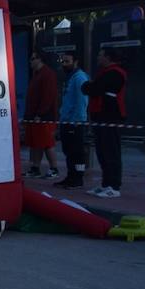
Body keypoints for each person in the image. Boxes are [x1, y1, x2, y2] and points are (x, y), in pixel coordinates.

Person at [83, 47, 128, 198]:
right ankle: (105, 183)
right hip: (100, 117)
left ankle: (114, 186)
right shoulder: (103, 73)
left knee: (111, 152)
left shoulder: (115, 73)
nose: (98, 58)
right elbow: (92, 88)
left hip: (110, 118)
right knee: (102, 152)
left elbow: (95, 88)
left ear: (108, 58)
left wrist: (91, 86)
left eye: (100, 55)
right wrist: (91, 87)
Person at [54, 51, 89, 189]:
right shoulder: (70, 77)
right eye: (63, 61)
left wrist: (76, 121)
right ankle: (71, 176)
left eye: (67, 61)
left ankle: (77, 178)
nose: (64, 64)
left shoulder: (79, 78)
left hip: (74, 122)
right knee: (69, 151)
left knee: (76, 151)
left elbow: (82, 101)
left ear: (75, 62)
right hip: (67, 121)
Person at [23, 51, 60, 179]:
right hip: (34, 116)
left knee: (47, 143)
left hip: (43, 117)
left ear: (40, 59)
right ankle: (35, 168)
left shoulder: (48, 74)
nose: (30, 61)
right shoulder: (37, 75)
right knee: (36, 143)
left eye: (33, 58)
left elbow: (48, 96)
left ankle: (54, 168)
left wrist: (40, 114)